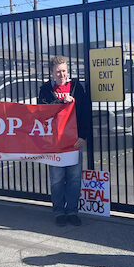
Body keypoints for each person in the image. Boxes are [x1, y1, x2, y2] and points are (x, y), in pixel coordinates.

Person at [38, 56, 91, 227]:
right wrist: (61, 101)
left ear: (68, 72)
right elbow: (42, 111)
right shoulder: (45, 90)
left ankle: (73, 211)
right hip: (55, 143)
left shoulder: (77, 88)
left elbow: (85, 112)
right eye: (58, 71)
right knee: (57, 179)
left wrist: (83, 136)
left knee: (75, 178)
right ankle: (59, 211)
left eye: (64, 71)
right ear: (52, 73)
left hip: (74, 141)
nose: (61, 74)